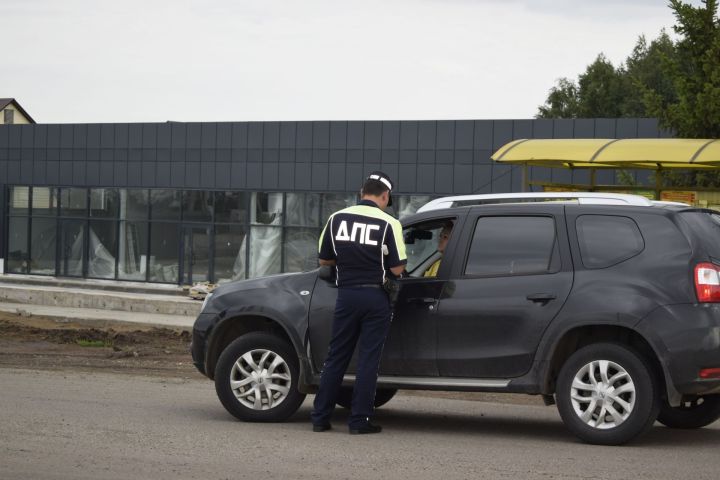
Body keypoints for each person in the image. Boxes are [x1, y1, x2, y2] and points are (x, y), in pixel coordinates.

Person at [311, 171, 407, 435]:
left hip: (346, 295)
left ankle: (320, 418)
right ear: (385, 196)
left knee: (336, 356)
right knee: (368, 360)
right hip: (375, 298)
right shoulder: (389, 223)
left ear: (362, 192)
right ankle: (359, 421)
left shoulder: (336, 219)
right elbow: (398, 268)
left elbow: (324, 261)